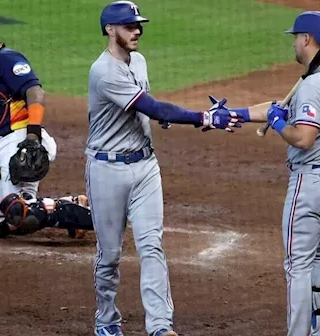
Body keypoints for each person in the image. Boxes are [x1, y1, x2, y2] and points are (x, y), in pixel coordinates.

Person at [85, 2, 245, 336]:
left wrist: (161, 119)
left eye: (138, 25)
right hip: (107, 170)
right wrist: (201, 117)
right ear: (110, 30)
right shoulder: (103, 72)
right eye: (129, 26)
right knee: (110, 256)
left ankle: (160, 326)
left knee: (152, 245)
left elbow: (147, 106)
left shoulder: (139, 61)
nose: (137, 31)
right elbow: (152, 105)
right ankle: (106, 320)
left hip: (145, 166)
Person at [218, 10, 320, 336]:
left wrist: (279, 124)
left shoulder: (311, 87)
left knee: (297, 266)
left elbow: (303, 138)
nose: (294, 42)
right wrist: (233, 113)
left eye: (296, 37)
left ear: (307, 39)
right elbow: (278, 106)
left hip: (313, 185)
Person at [0, 5, 91, 239]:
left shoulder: (5, 59)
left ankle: (97, 219)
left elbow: (34, 91)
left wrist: (32, 137)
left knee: (20, 213)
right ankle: (68, 204)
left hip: (21, 141)